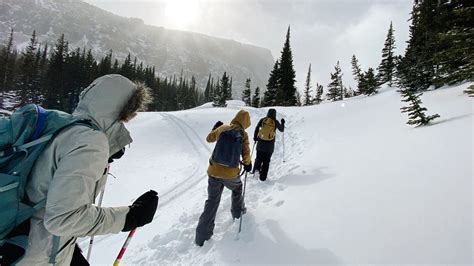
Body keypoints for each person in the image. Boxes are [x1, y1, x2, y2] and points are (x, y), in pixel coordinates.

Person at [18, 75, 159, 265]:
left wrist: (69, 247)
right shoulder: (89, 142)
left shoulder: (64, 126)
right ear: (120, 111)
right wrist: (130, 217)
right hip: (36, 256)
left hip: (22, 242)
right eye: (127, 116)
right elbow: (63, 219)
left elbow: (40, 191)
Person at [195, 110, 252, 247]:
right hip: (230, 174)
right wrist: (248, 164)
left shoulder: (223, 128)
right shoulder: (243, 134)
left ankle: (202, 236)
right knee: (237, 188)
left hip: (214, 171)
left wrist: (215, 129)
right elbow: (246, 154)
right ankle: (238, 215)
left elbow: (209, 139)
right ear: (245, 122)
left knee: (212, 200)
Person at [253, 108, 285, 181]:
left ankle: (256, 171)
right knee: (266, 161)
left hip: (260, 143)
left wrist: (255, 137)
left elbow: (257, 128)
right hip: (269, 146)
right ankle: (263, 177)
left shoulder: (263, 120)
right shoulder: (275, 122)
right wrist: (282, 123)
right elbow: (281, 130)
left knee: (258, 158)